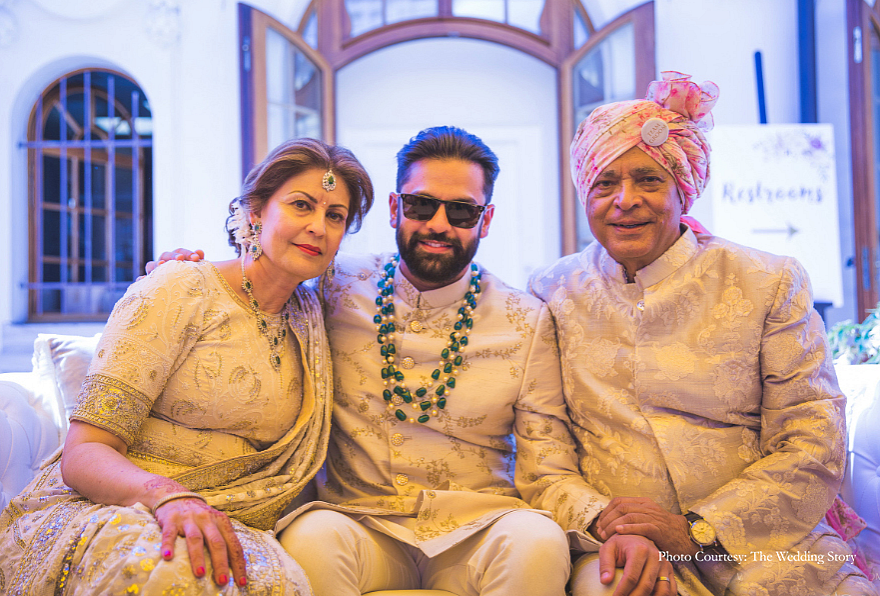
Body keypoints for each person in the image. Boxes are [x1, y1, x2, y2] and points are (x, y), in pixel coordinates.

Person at [151, 126, 679, 596]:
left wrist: (609, 521)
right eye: (422, 206)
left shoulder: (528, 319)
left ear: (486, 219)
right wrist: (188, 271)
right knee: (311, 537)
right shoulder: (336, 284)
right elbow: (261, 281)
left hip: (483, 526)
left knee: (537, 541)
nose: (439, 225)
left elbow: (547, 468)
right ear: (395, 208)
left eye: (462, 211)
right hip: (361, 521)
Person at [528, 72, 878, 596]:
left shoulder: (767, 281)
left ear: (681, 190)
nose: (625, 200)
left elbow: (813, 442)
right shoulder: (552, 290)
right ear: (584, 192)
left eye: (648, 180)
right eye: (605, 182)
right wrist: (606, 523)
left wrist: (697, 530)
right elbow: (541, 451)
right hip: (621, 547)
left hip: (766, 541)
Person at [0, 138, 374, 595]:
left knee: (274, 580)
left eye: (335, 216)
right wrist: (168, 497)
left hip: (230, 519)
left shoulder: (316, 318)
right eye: (302, 205)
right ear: (255, 211)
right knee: (177, 571)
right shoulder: (181, 289)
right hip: (120, 506)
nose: (318, 226)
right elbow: (83, 455)